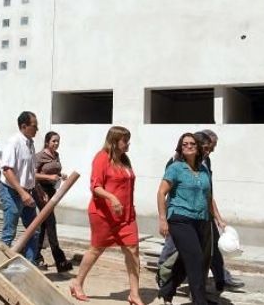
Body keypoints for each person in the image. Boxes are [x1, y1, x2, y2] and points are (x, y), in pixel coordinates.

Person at [69, 126, 145, 305]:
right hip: (104, 214)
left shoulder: (124, 159)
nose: (128, 144)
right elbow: (95, 186)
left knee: (133, 250)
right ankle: (77, 283)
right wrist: (112, 198)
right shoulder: (101, 158)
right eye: (125, 140)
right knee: (97, 249)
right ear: (114, 141)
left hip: (126, 215)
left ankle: (134, 294)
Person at [156, 133, 213, 305]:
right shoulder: (175, 168)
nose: (189, 146)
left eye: (192, 143)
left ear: (198, 147)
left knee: (185, 259)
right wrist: (162, 219)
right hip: (179, 218)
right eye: (185, 144)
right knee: (196, 259)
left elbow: (208, 196)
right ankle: (199, 301)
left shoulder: (203, 170)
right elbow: (161, 193)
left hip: (201, 219)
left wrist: (217, 218)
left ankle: (167, 291)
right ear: (180, 148)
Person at [200, 129, 244, 291]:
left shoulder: (206, 161)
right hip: (186, 216)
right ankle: (166, 280)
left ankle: (221, 279)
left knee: (213, 248)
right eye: (210, 147)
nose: (212, 150)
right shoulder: (182, 163)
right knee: (176, 249)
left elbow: (208, 193)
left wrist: (217, 218)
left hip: (205, 213)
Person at [0, 111, 44, 263]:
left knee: (34, 230)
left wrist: (36, 189)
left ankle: (30, 264)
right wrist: (22, 193)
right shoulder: (14, 143)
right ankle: (0, 264)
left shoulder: (30, 144)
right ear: (24, 126)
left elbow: (29, 172)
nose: (37, 129)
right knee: (9, 232)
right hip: (12, 191)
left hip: (27, 192)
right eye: (34, 126)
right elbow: (7, 170)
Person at [34, 131, 72, 273]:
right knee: (51, 222)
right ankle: (60, 260)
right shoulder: (39, 156)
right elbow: (33, 174)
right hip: (40, 190)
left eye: (58, 141)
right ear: (47, 142)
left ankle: (35, 256)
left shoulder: (56, 155)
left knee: (44, 224)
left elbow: (54, 171)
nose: (56, 143)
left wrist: (60, 175)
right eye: (53, 141)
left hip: (51, 191)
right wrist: (49, 178)